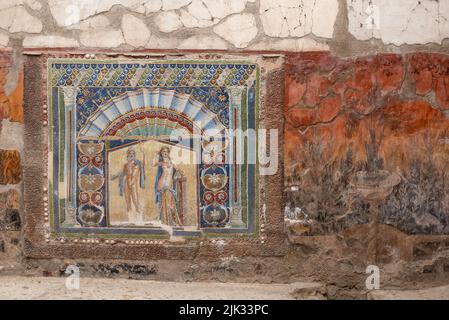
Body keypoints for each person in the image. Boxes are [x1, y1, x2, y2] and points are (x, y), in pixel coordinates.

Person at [112, 146, 146, 223]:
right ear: (128, 155)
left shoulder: (138, 164)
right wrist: (114, 176)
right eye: (130, 153)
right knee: (128, 202)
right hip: (126, 184)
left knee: (135, 201)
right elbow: (122, 173)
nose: (131, 155)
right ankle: (130, 220)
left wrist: (144, 154)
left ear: (134, 155)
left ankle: (139, 220)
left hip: (133, 184)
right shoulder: (126, 165)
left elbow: (143, 165)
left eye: (133, 153)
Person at [153, 146, 184, 226]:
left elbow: (178, 170)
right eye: (163, 151)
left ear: (168, 153)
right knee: (163, 202)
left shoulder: (172, 162)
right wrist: (156, 155)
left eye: (166, 151)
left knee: (170, 203)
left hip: (169, 183)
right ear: (161, 153)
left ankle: (169, 221)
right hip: (162, 182)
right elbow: (153, 164)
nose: (165, 153)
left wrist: (178, 174)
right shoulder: (161, 162)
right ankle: (165, 221)